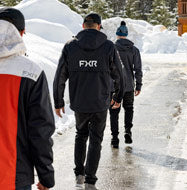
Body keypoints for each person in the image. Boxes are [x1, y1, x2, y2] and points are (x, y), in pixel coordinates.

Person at [53, 13, 124, 190]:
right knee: (96, 139)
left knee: (81, 135)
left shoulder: (70, 46)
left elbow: (60, 75)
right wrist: (118, 96)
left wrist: (58, 100)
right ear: (99, 26)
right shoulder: (108, 46)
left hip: (80, 102)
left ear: (83, 26)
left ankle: (79, 174)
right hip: (100, 102)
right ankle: (90, 180)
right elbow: (119, 75)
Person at [0, 8, 55, 190]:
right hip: (12, 176)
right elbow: (40, 131)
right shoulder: (31, 73)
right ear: (21, 33)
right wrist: (46, 175)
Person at [110, 21, 143, 148]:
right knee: (128, 108)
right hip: (129, 85)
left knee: (114, 111)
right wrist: (138, 85)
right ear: (127, 34)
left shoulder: (111, 48)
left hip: (114, 86)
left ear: (117, 34)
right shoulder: (134, 50)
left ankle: (114, 138)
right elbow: (138, 69)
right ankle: (128, 131)